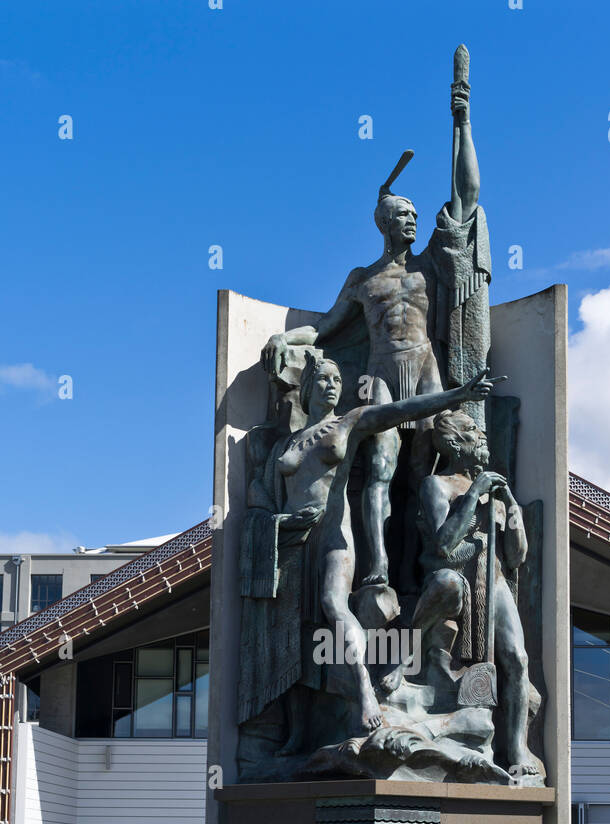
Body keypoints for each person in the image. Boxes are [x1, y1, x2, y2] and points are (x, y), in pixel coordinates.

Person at [261, 52, 491, 589]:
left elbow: (468, 195)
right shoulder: (364, 278)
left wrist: (463, 122)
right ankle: (378, 570)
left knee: (426, 473)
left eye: (415, 216)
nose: (413, 220)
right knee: (381, 472)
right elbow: (325, 327)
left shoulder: (432, 267)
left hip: (427, 370)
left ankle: (422, 565)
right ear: (386, 223)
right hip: (381, 375)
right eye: (404, 216)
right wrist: (285, 334)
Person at [244, 355, 497, 745]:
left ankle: (365, 689)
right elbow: (260, 494)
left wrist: (457, 395)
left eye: (337, 380)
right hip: (292, 543)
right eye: (323, 379)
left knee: (333, 604)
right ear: (308, 388)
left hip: (332, 536)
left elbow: (400, 410)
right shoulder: (285, 442)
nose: (332, 385)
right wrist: (272, 522)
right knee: (296, 633)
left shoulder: (349, 422)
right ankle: (297, 734)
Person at [379, 407, 542, 780]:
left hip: (495, 579)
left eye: (481, 431)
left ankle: (515, 746)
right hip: (452, 574)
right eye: (472, 430)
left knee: (516, 658)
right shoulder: (437, 485)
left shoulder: (498, 497)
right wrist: (474, 495)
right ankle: (403, 655)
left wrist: (513, 514)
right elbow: (441, 545)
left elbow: (516, 558)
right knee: (448, 583)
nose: (482, 437)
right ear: (453, 442)